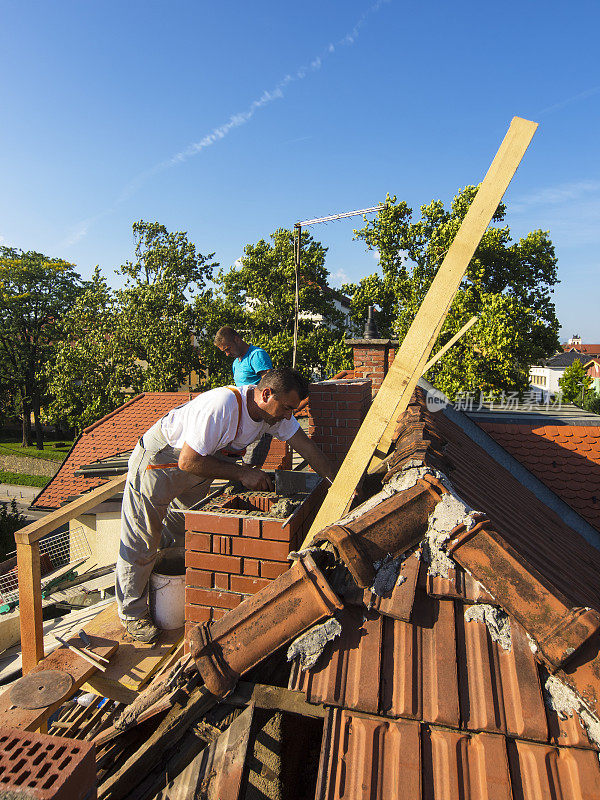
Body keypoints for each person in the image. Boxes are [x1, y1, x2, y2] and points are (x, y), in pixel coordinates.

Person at [116, 367, 334, 642]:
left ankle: (167, 595)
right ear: (266, 394)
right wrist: (243, 472)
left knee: (183, 532)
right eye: (287, 408)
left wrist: (339, 484)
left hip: (201, 464)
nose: (289, 415)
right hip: (161, 462)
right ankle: (133, 615)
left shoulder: (274, 415)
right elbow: (187, 461)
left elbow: (309, 449)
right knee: (142, 539)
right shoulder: (223, 405)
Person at [214, 326, 273, 467]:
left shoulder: (257, 355)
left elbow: (270, 385)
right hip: (242, 420)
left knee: (251, 464)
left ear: (236, 339)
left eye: (228, 349)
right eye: (224, 351)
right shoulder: (236, 363)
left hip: (260, 420)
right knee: (233, 462)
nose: (227, 354)